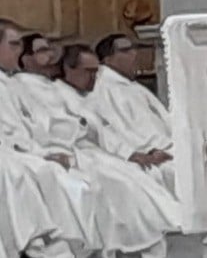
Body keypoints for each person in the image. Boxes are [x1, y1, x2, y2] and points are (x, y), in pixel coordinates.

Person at [13, 35, 179, 257]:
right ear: (26, 59)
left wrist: (131, 154)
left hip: (88, 150)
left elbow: (102, 129)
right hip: (65, 152)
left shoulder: (56, 87)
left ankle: (142, 243)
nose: (49, 56)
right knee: (116, 185)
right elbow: (40, 127)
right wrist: (73, 129)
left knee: (135, 178)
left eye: (49, 50)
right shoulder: (20, 87)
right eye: (42, 51)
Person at [0, 21, 101, 255]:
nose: (18, 50)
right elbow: (9, 133)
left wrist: (46, 151)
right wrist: (42, 153)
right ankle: (41, 245)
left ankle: (64, 245)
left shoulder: (9, 83)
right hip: (12, 152)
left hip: (22, 149)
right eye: (13, 45)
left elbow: (28, 126)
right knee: (28, 175)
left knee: (69, 179)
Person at [86, 35, 174, 192]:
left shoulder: (133, 86)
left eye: (134, 48)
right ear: (107, 59)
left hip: (166, 149)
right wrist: (149, 152)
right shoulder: (103, 88)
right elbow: (116, 130)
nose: (134, 54)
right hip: (149, 153)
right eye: (126, 50)